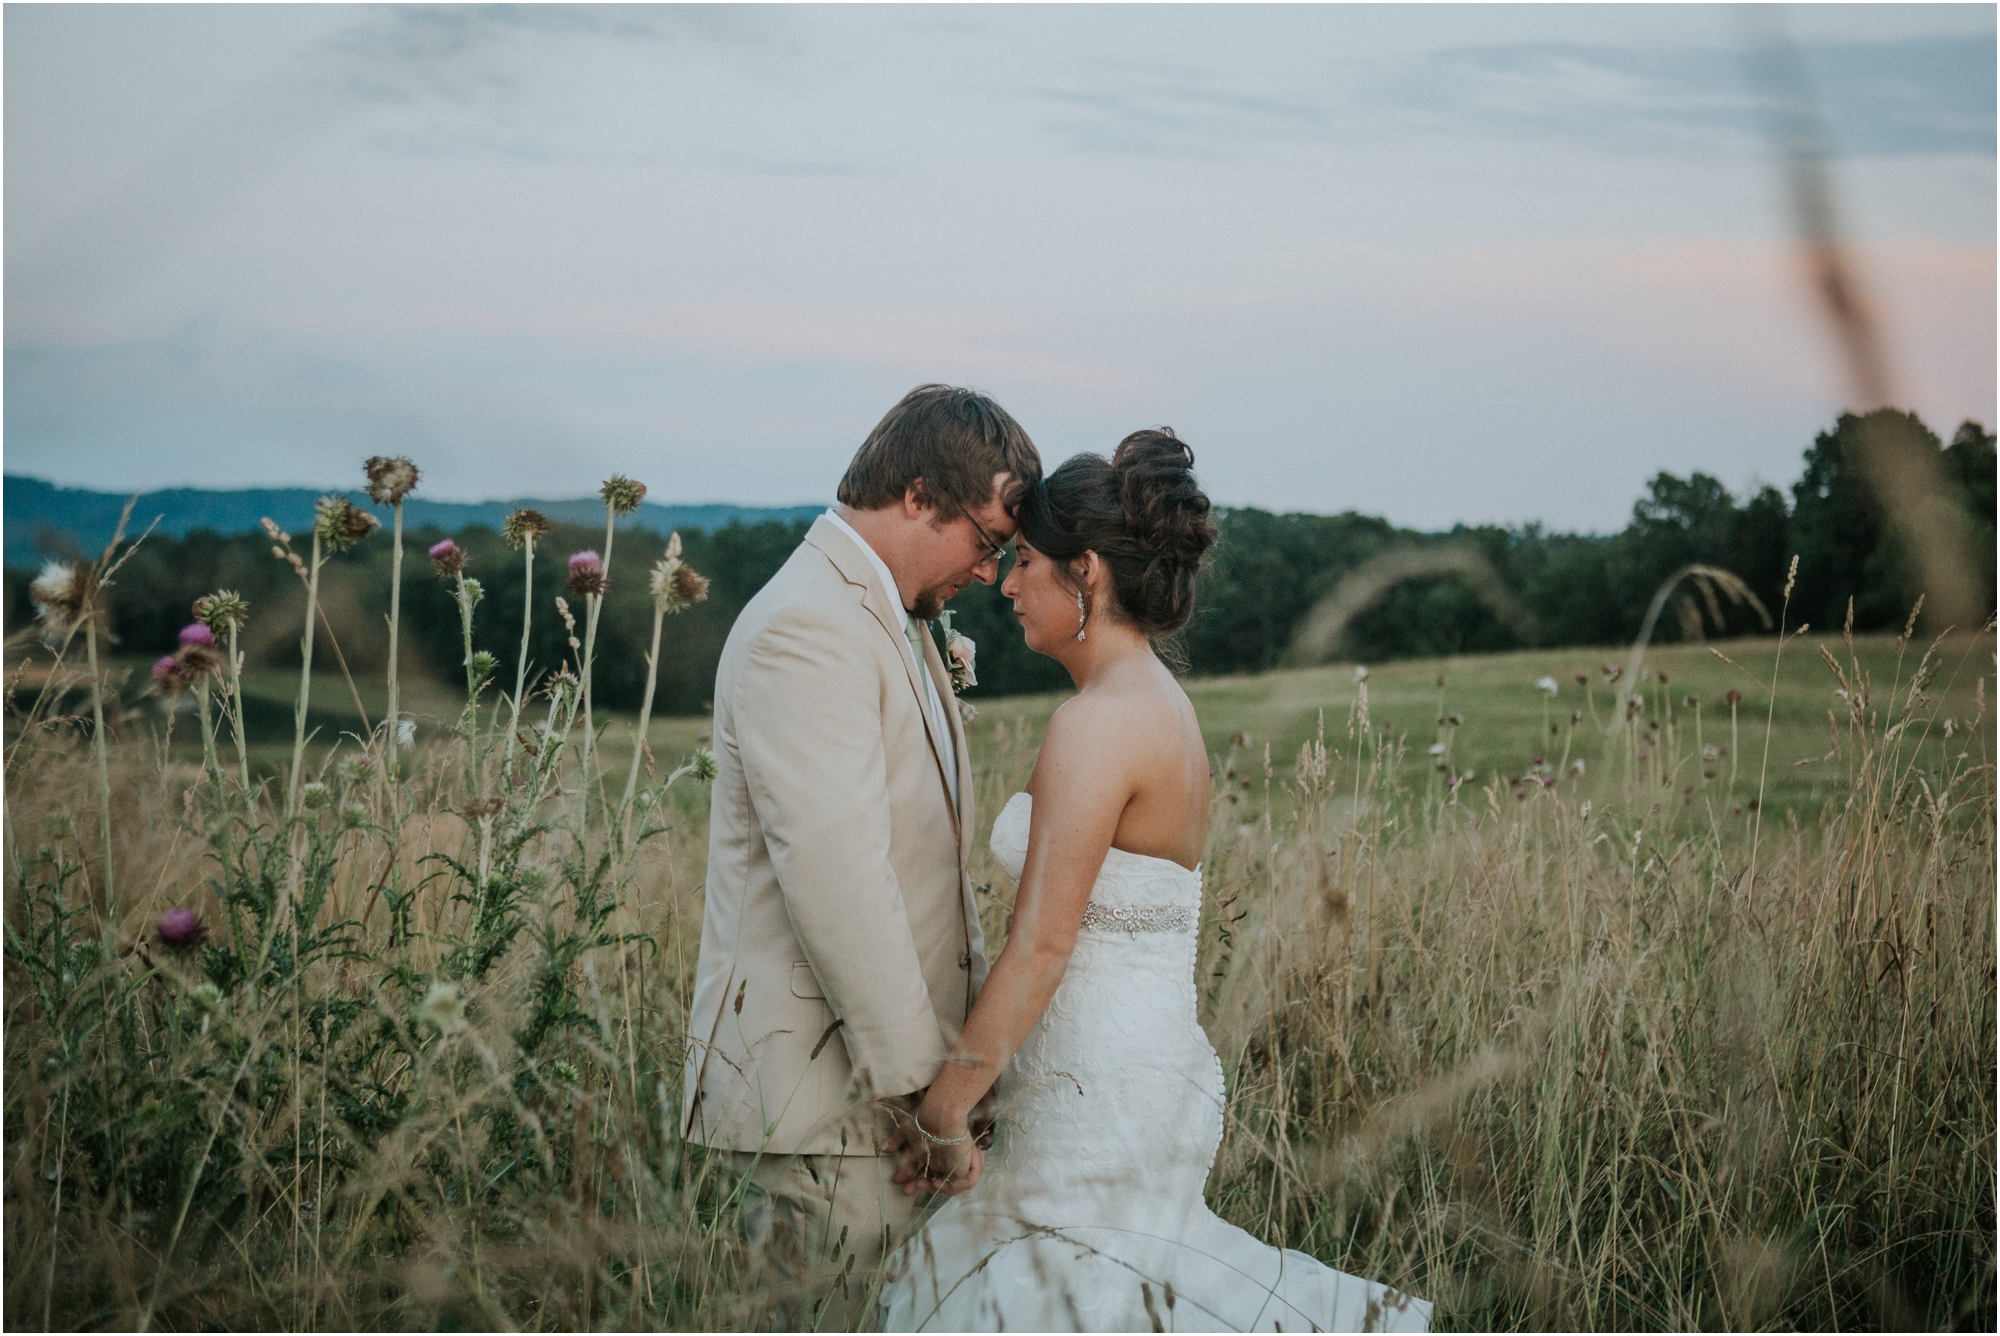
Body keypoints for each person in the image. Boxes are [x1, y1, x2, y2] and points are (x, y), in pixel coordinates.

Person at [877, 431, 1432, 1332]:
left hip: (1094, 1083)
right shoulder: (1163, 707)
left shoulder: (1097, 727)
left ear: (1084, 570)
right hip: (1140, 1067)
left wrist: (947, 1106)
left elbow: (1045, 942)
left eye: (1025, 561)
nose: (1008, 584)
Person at [681, 384, 1040, 1322]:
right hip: (824, 1108)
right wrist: (926, 1096)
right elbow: (839, 878)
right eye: (987, 541)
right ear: (919, 495)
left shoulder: (881, 615)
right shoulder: (810, 627)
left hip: (864, 1111)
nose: (988, 572)